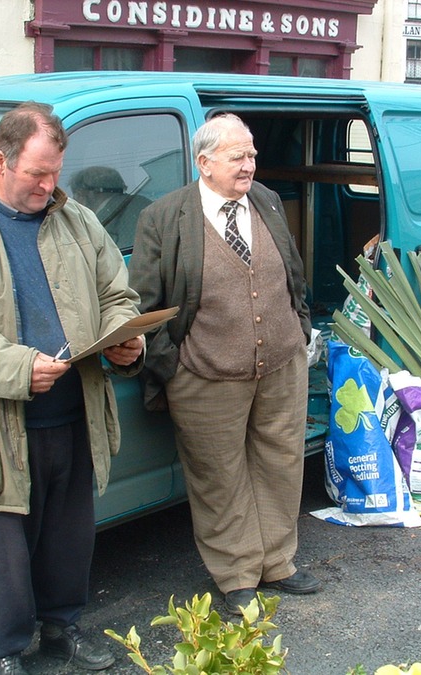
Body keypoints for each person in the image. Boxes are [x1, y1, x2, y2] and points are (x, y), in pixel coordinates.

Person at [0, 101, 144, 675]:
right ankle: (7, 653)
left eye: (56, 172)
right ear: (0, 161)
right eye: (38, 173)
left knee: (69, 541)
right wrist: (18, 367)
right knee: (1, 555)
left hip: (73, 413)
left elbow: (117, 293)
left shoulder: (79, 221)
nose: (49, 185)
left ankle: (62, 632)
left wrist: (124, 339)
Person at [128, 113, 320, 616]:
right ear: (204, 162)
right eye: (238, 156)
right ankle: (237, 574)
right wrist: (174, 364)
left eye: (252, 154)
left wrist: (299, 330)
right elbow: (144, 304)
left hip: (281, 364)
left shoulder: (269, 202)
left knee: (281, 463)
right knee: (219, 475)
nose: (249, 165)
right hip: (205, 374)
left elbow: (291, 274)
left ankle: (279, 563)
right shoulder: (164, 218)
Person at [70, 166, 152, 250]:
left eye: (76, 194)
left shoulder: (102, 224)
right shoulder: (144, 203)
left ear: (81, 194)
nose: (74, 199)